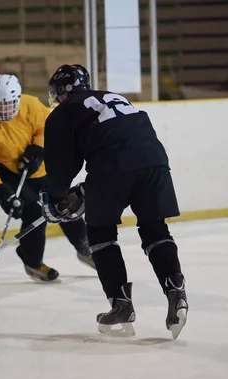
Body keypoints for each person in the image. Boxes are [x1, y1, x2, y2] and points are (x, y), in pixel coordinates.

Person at [39, 64, 188, 339]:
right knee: (155, 228)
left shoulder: (64, 111)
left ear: (61, 91)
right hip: (155, 160)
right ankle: (176, 292)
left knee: (99, 231)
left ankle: (121, 304)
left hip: (114, 166)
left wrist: (57, 197)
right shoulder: (112, 96)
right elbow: (120, 141)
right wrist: (88, 189)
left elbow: (62, 165)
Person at [0, 73, 95, 282]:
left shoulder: (31, 106)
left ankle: (85, 249)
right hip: (8, 172)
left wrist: (38, 148)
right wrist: (2, 193)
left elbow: (48, 127)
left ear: (18, 100)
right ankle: (33, 262)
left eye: (7, 104)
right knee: (34, 212)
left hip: (40, 167)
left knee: (64, 204)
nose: (2, 110)